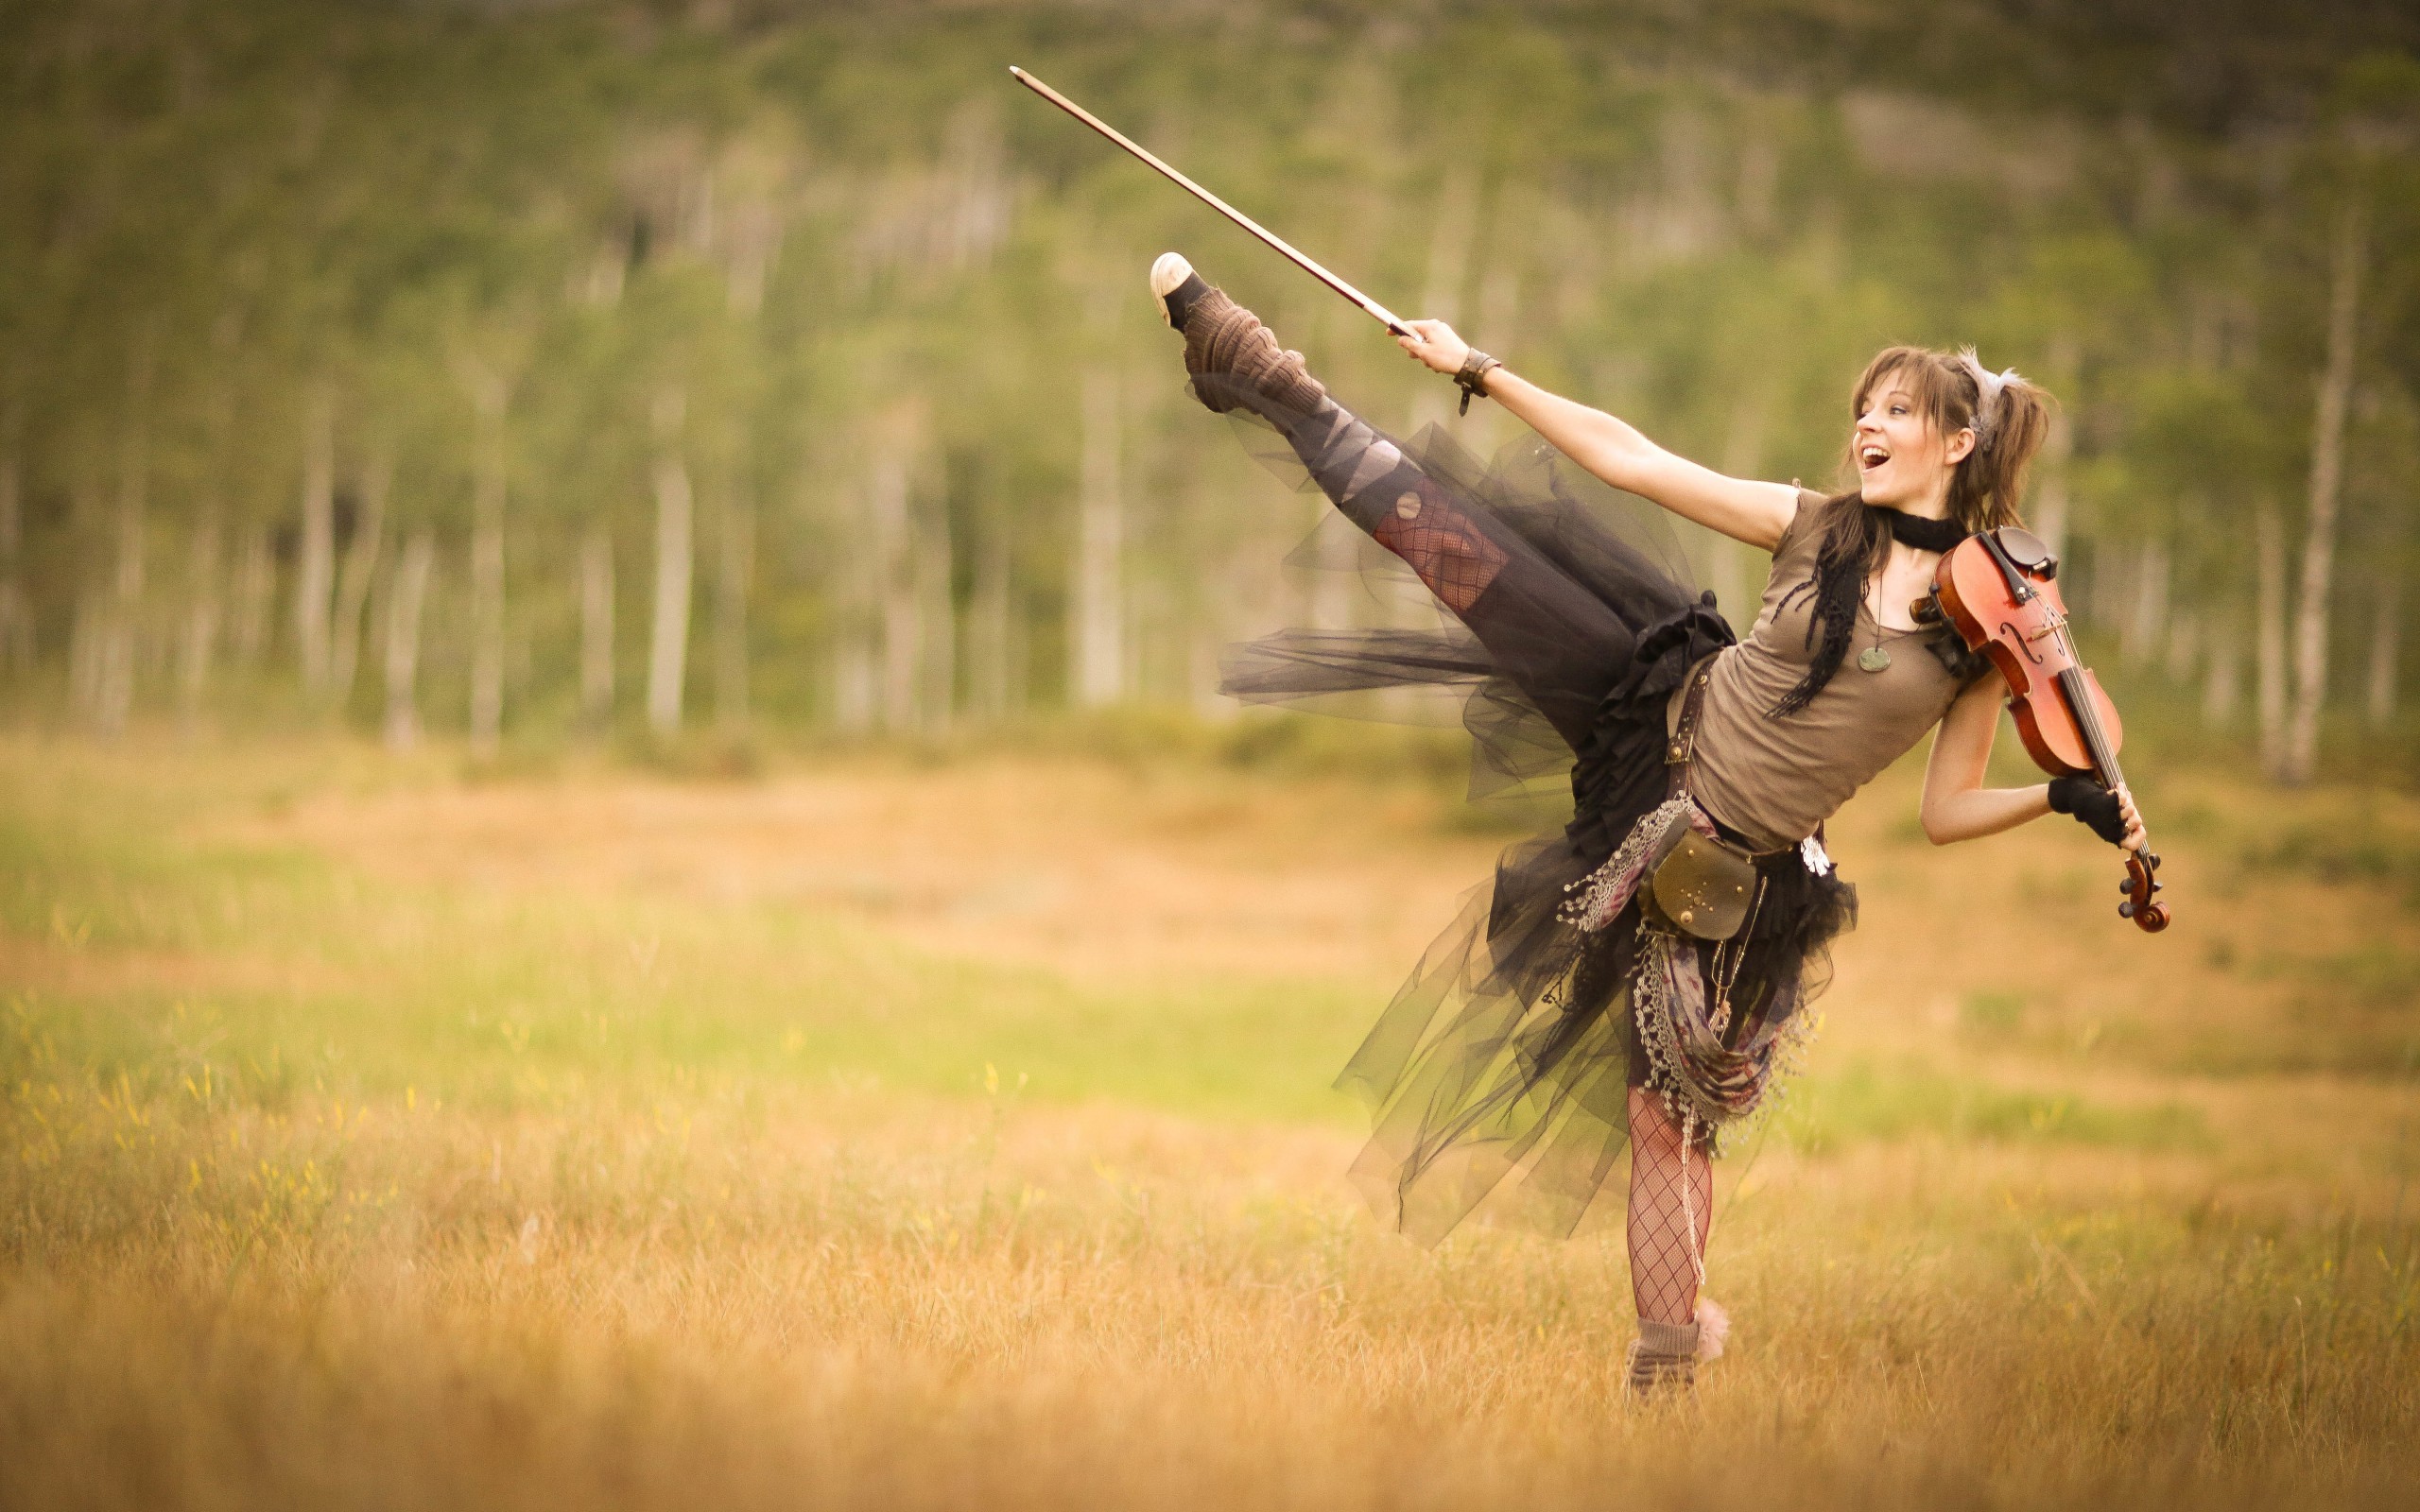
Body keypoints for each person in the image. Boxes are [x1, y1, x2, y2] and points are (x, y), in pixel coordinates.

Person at [1149, 252, 2146, 1395]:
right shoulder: (1813, 525)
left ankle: (1664, 1365)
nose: (1866, 424)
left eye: (1896, 412)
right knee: (1459, 555)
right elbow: (1634, 459)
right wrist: (1480, 367)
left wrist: (2059, 796)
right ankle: (1271, 378)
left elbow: (1944, 811)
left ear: (1956, 445)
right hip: (1652, 724)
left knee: (1667, 1123)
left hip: (1737, 872)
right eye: (1862, 408)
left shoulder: (1979, 641)